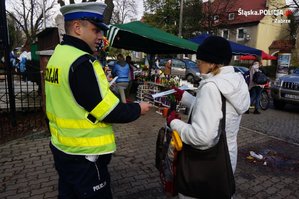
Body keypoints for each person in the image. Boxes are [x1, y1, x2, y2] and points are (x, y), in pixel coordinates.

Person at [45, 2, 151, 199]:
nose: (101, 37)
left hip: (63, 149)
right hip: (86, 155)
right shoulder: (82, 62)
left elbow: (66, 98)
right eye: (95, 30)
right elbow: (107, 111)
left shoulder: (58, 56)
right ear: (77, 28)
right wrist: (138, 108)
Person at [168, 36, 250, 198]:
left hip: (205, 164)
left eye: (200, 60)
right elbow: (218, 111)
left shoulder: (211, 87)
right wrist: (185, 97)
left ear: (213, 62)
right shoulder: (232, 82)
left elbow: (202, 137)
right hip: (225, 157)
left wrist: (174, 122)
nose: (197, 63)